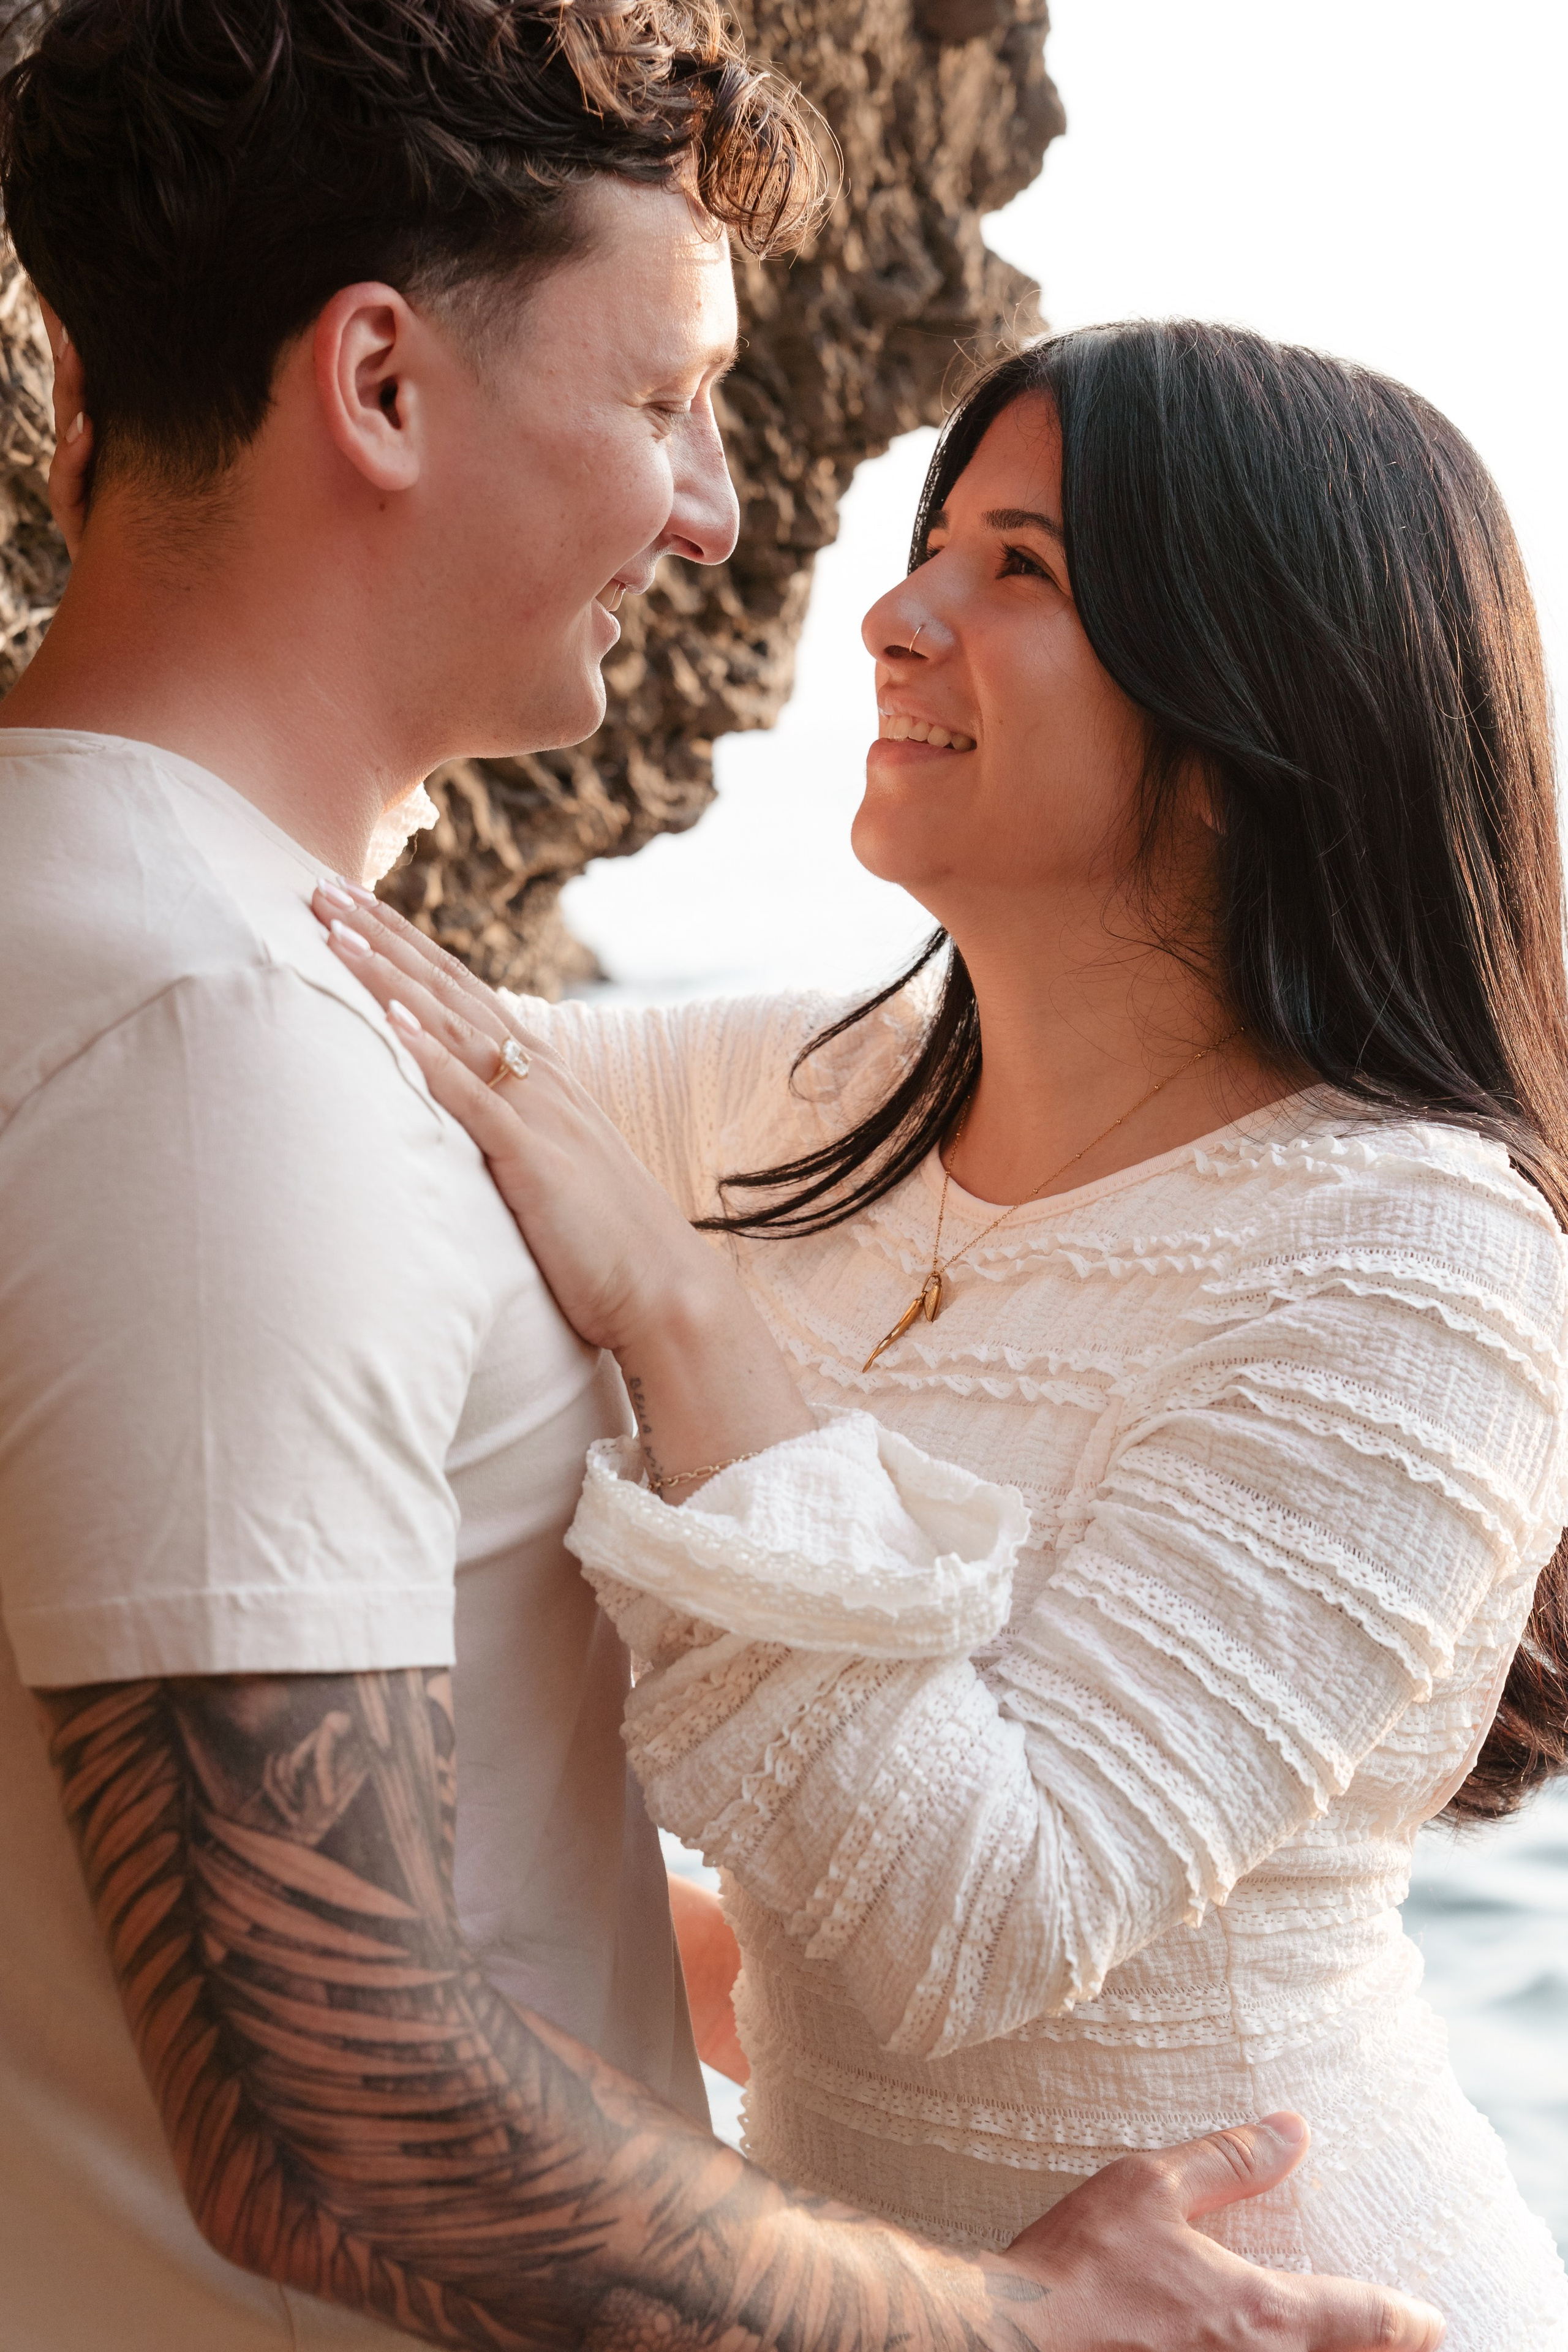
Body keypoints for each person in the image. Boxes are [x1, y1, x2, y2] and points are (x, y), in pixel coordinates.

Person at [0, 0, 1447, 2346]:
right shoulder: (214, 1044)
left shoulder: (178, 966)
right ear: (377, 388)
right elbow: (326, 2104)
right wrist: (1022, 2329)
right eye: (665, 400)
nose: (724, 507)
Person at [280, 323, 1568, 2348]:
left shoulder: (1418, 1265)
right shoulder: (815, 1101)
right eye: (932, 543)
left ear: (1252, 714)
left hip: (1285, 2314)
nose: (894, 616)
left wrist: (686, 1318)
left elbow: (979, 1918)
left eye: (1020, 570)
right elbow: (319, 1041)